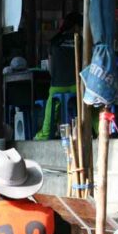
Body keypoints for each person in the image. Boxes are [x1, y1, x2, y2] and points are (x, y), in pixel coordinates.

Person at [35, 12, 83, 140]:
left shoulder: (54, 41)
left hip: (57, 87)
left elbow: (51, 69)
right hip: (76, 87)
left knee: (53, 103)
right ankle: (97, 130)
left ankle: (46, 133)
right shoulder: (80, 40)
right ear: (77, 27)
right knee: (91, 101)